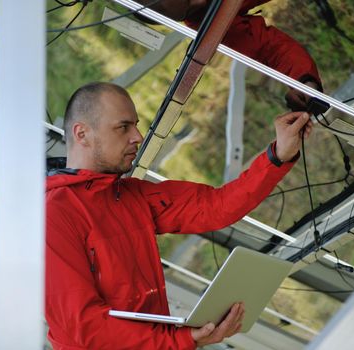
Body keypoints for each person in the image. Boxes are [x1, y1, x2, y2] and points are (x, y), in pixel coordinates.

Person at [45, 82, 312, 349]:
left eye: (136, 125)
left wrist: (278, 155)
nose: (137, 136)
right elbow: (84, 325)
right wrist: (178, 340)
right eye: (123, 127)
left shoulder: (131, 195)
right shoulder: (52, 216)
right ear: (82, 134)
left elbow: (217, 206)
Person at [135, 0, 323, 111]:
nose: (199, 1)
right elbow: (269, 48)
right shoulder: (210, 25)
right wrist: (304, 82)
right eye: (188, 5)